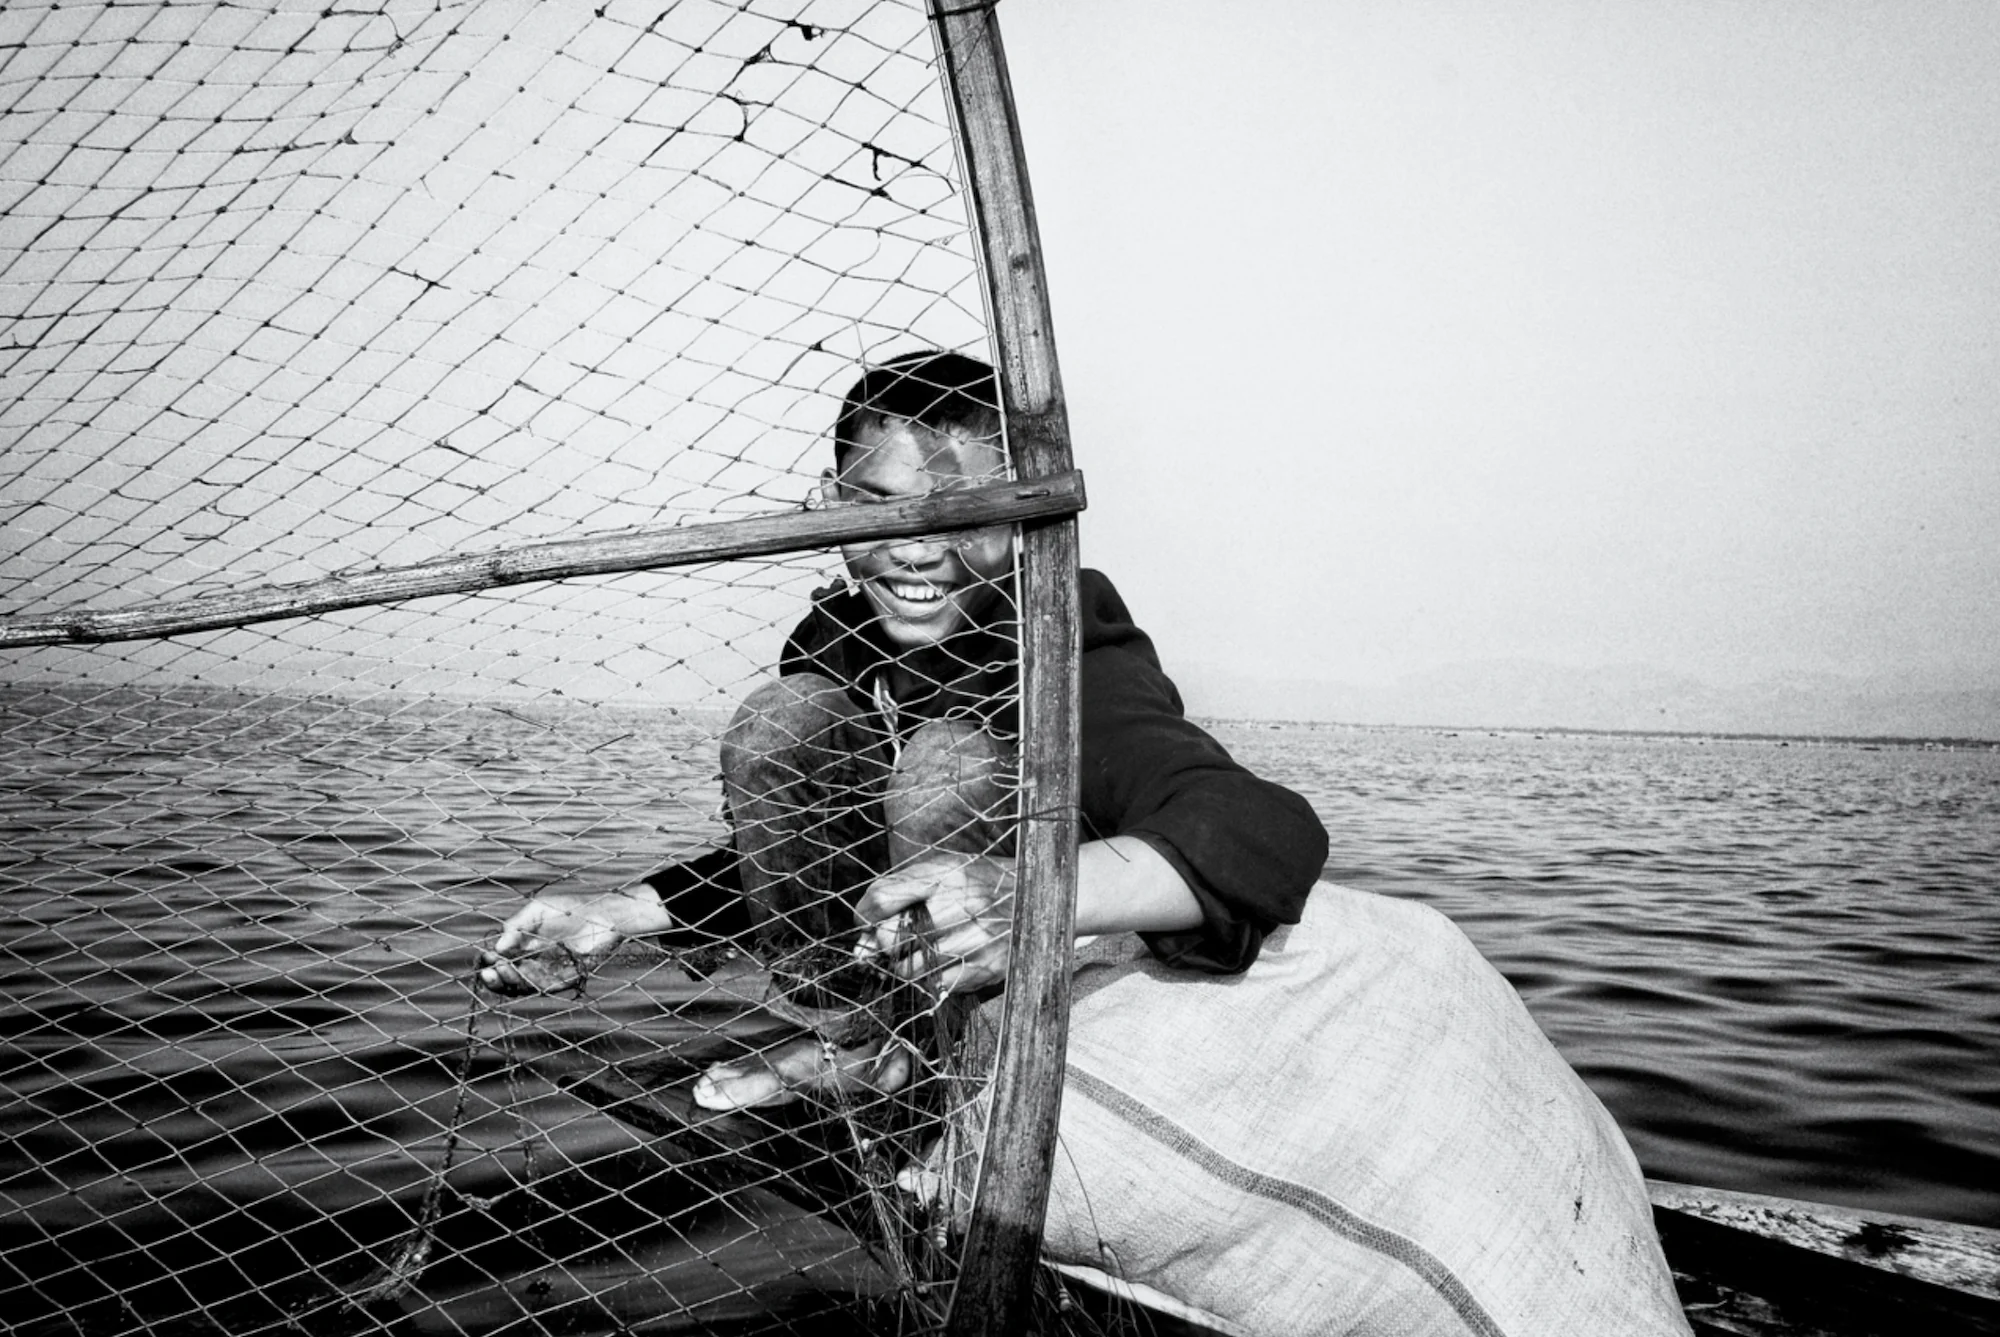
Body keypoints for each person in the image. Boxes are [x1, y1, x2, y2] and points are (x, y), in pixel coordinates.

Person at [477, 350, 1330, 1109]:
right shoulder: (838, 640)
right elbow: (818, 853)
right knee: (782, 721)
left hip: (1030, 968)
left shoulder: (1063, 634)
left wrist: (1028, 898)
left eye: (963, 510)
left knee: (945, 762)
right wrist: (616, 913)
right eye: (879, 506)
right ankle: (859, 1038)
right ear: (831, 504)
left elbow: (1267, 830)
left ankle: (945, 1056)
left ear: (1023, 518)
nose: (917, 550)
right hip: (899, 963)